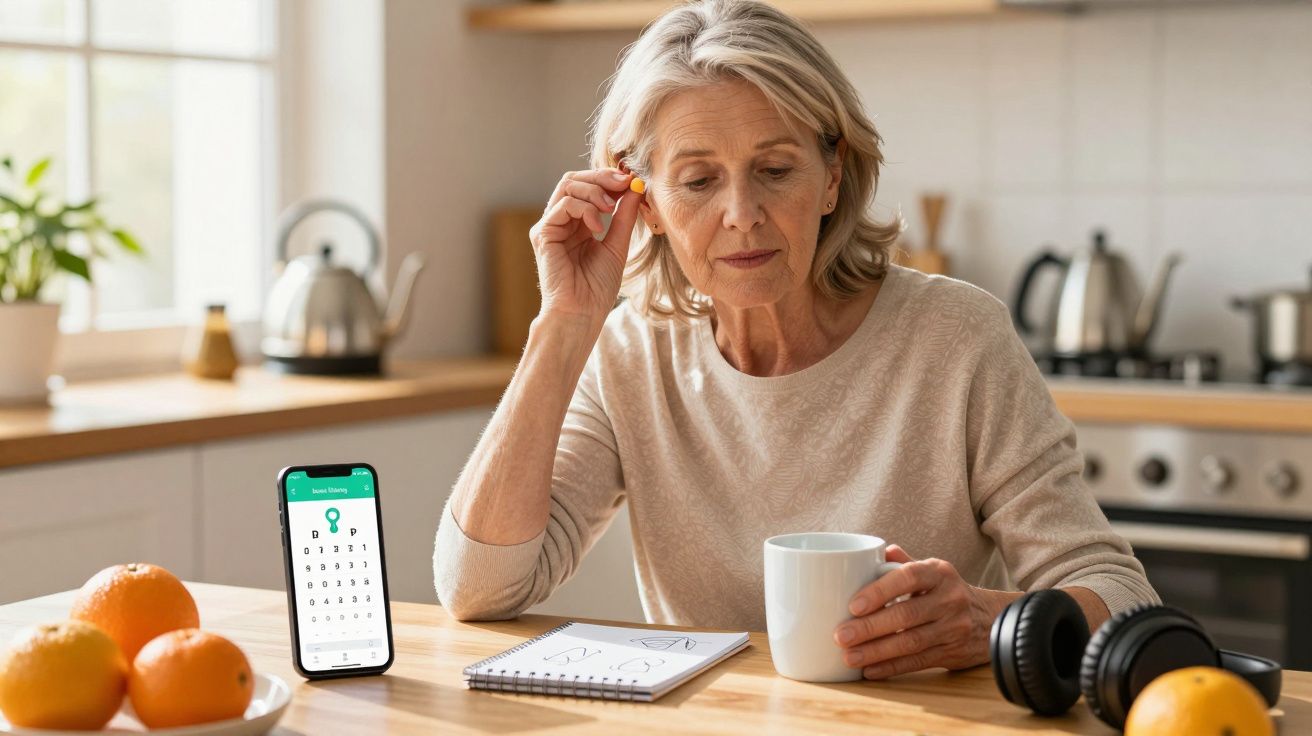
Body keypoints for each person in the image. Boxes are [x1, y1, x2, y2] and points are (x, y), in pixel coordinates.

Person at [434, 0, 1158, 680]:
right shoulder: (630, 352)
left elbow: (1120, 595)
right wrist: (564, 322)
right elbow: (479, 590)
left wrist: (990, 622)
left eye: (776, 171)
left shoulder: (956, 338)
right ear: (644, 202)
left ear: (834, 176)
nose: (742, 214)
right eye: (698, 181)